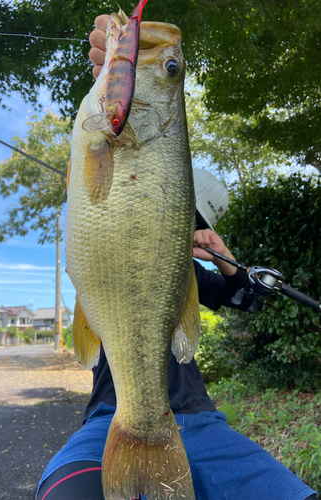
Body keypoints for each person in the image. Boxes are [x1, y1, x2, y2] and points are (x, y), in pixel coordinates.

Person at [35, 16, 318, 500]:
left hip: (200, 419)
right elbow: (94, 177)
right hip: (110, 415)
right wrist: (111, 70)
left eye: (192, 223)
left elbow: (246, 298)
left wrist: (226, 260)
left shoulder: (184, 275)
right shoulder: (111, 137)